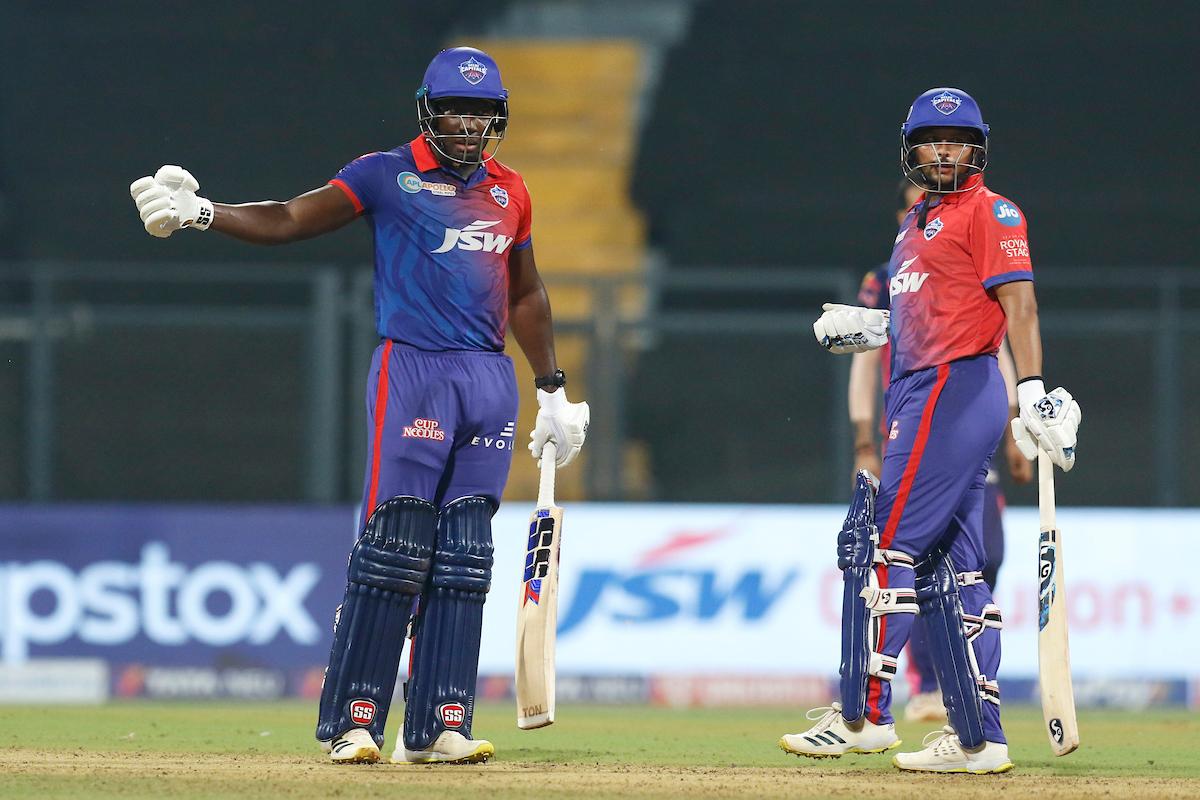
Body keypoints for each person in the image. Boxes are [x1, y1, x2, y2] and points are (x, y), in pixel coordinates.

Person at [128, 47, 590, 766]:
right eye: (454, 111)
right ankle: (355, 721)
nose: (467, 126)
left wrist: (553, 389)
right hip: (411, 369)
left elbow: (526, 293)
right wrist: (202, 212)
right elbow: (287, 218)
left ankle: (440, 723)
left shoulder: (511, 192)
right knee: (396, 548)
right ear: (427, 111)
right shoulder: (385, 173)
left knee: (465, 555)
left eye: (481, 113)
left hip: (487, 381)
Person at [782, 87, 1080, 773]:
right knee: (956, 567)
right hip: (926, 383)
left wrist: (1029, 392)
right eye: (931, 138)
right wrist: (877, 328)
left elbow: (1020, 305)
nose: (943, 148)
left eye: (957, 137)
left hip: (951, 388)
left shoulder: (991, 210)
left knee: (883, 546)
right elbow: (938, 310)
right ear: (911, 148)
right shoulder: (915, 223)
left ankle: (863, 714)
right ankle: (978, 737)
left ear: (978, 146)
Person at [849, 181, 1033, 723]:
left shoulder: (974, 248)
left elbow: (993, 342)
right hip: (912, 422)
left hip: (957, 409)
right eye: (911, 203)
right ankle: (944, 697)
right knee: (933, 559)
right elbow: (868, 361)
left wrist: (1019, 415)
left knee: (951, 557)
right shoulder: (886, 275)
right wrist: (865, 438)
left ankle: (874, 714)